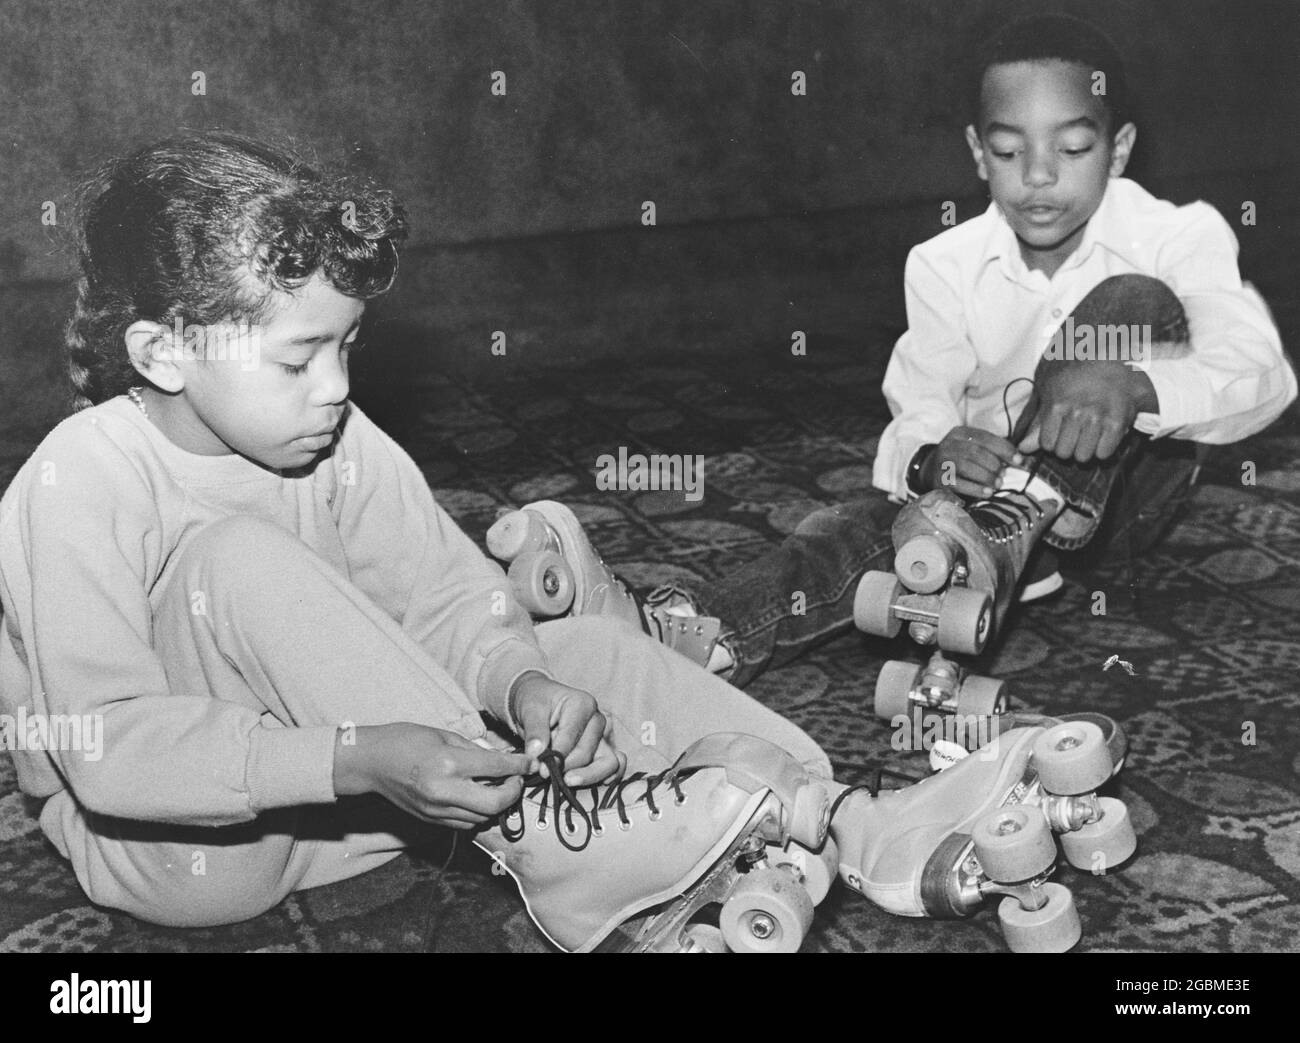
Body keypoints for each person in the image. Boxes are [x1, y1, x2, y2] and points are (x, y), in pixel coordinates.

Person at [0, 130, 1122, 952]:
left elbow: (444, 601)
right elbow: (102, 744)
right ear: (160, 350)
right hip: (199, 850)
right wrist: (349, 756)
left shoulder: (335, 437)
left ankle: (835, 813)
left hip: (377, 816)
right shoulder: (78, 480)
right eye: (298, 359)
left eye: (348, 346)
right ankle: (552, 837)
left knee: (568, 643)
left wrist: (521, 681)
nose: (337, 387)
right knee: (230, 559)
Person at [512, 14, 1294, 690]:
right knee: (854, 526)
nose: (1041, 176)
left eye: (1074, 147)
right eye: (1010, 150)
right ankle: (680, 632)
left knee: (1134, 301)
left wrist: (1135, 386)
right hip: (968, 524)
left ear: (1118, 148)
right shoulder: (941, 263)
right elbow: (914, 414)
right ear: (976, 152)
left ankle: (1023, 512)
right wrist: (934, 458)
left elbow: (1263, 373)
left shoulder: (1178, 233)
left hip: (1120, 505)